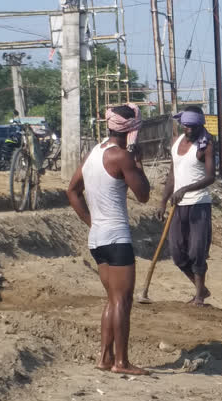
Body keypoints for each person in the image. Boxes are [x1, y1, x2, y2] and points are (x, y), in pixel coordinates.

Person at [66, 104, 151, 375]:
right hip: (117, 238)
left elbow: (72, 190)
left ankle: (104, 357)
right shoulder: (121, 158)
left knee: (111, 299)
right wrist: (138, 162)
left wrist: (90, 222)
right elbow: (144, 194)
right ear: (130, 130)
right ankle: (121, 362)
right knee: (122, 302)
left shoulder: (95, 153)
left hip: (98, 239)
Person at [157, 105, 216, 306]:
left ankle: (199, 296)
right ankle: (201, 289)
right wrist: (163, 201)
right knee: (177, 253)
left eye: (192, 126)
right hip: (177, 205)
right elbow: (172, 174)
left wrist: (186, 189)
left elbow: (210, 177)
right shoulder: (176, 143)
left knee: (196, 252)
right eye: (185, 126)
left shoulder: (205, 145)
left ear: (199, 125)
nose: (188, 130)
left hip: (199, 204)